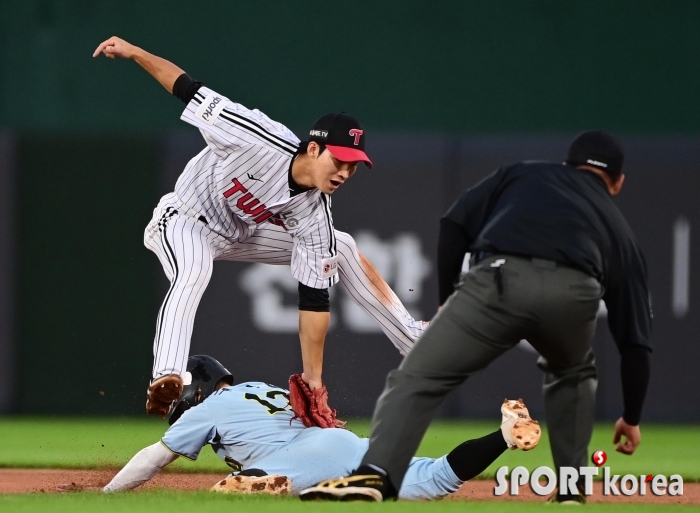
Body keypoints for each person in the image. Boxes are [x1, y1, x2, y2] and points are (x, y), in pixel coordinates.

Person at [303, 131, 652, 503]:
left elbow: (454, 223)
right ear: (617, 183)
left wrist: (447, 298)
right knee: (573, 375)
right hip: (575, 294)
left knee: (419, 376)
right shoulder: (621, 230)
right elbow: (635, 344)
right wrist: (631, 417)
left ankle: (375, 476)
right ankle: (571, 490)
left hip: (497, 283)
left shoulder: (526, 174)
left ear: (566, 165)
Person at [92, 37, 427, 420]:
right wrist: (135, 52)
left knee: (343, 245)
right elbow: (185, 86)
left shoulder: (315, 211)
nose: (345, 173)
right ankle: (167, 375)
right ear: (314, 150)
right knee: (194, 270)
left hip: (242, 233)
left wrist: (313, 382)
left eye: (353, 166)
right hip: (186, 218)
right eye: (340, 161)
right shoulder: (252, 135)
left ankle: (413, 338)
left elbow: (313, 303)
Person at [102, 355, 541, 499]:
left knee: (227, 497)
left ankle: (266, 483)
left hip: (301, 458)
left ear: (197, 387)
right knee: (437, 477)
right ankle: (505, 434)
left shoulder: (207, 408)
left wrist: (105, 496)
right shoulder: (254, 388)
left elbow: (153, 458)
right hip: (343, 444)